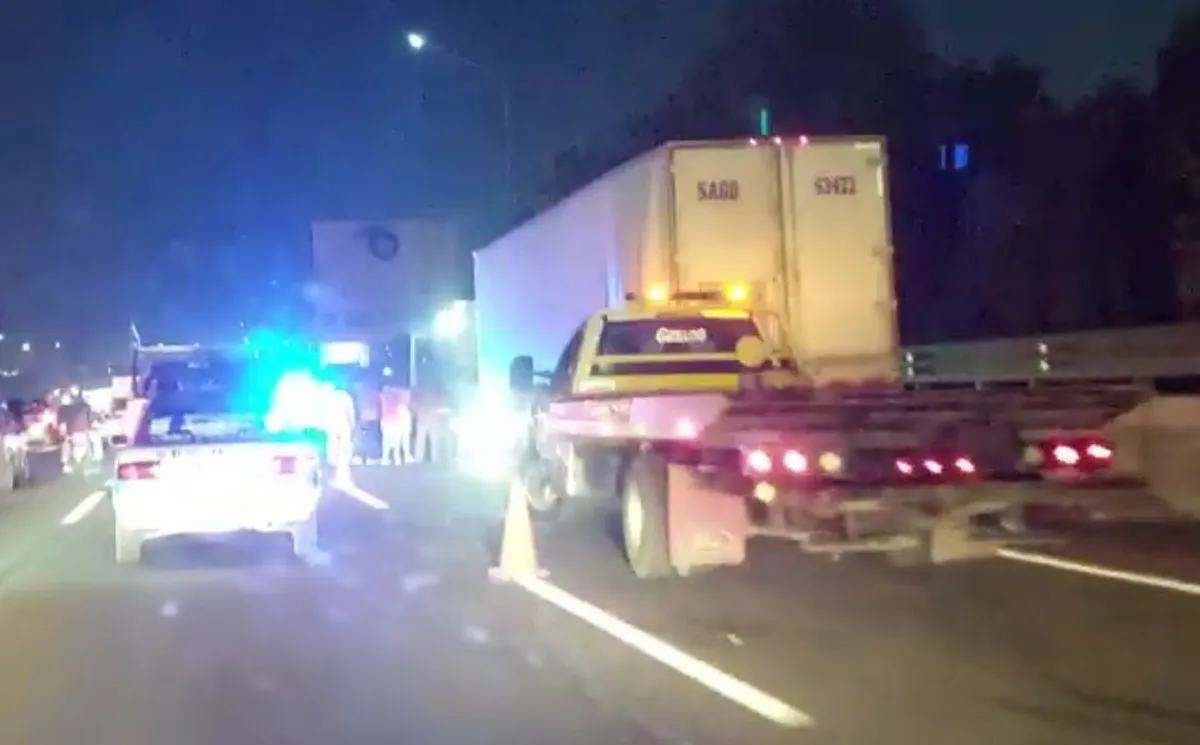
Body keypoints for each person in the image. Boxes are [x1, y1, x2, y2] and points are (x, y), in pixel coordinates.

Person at [379, 386, 412, 466]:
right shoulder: (396, 399)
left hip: (385, 421)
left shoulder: (383, 397)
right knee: (396, 442)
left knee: (386, 442)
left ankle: (385, 459)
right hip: (394, 421)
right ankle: (397, 460)